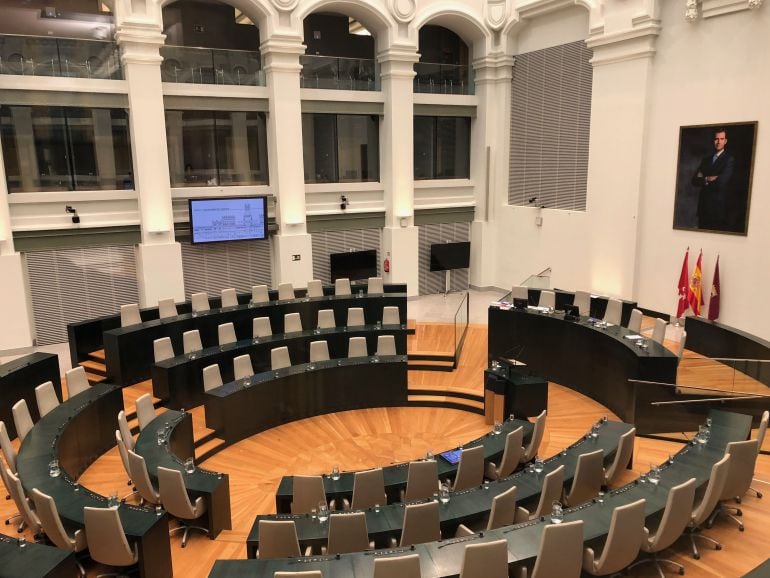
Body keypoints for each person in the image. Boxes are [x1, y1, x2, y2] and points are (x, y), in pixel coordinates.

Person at [691, 128, 734, 230]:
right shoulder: (705, 160)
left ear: (725, 141)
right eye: (716, 139)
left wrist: (703, 178)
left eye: (721, 139)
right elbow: (694, 180)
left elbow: (721, 182)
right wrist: (707, 179)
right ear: (713, 140)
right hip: (703, 209)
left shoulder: (729, 160)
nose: (718, 142)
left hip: (717, 210)